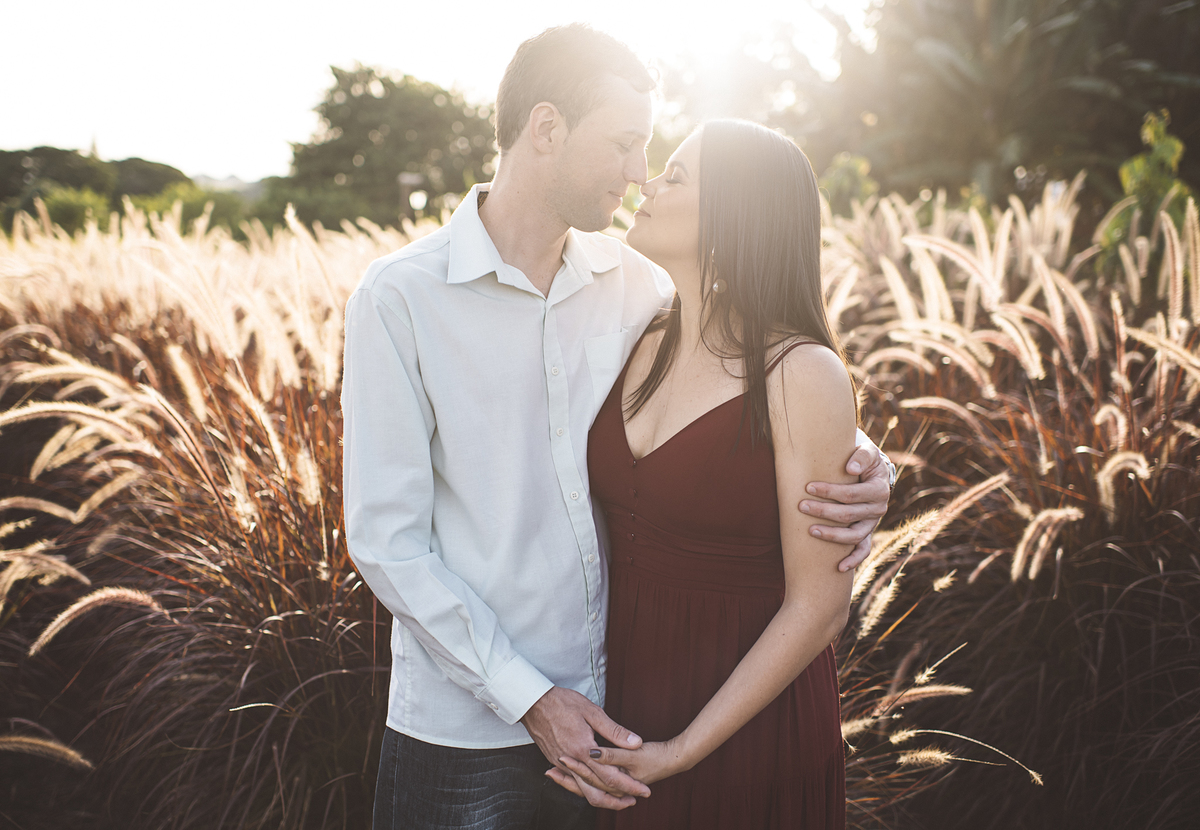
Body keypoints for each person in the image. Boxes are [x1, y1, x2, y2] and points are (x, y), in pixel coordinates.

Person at [341, 25, 893, 830]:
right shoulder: (401, 298)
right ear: (547, 128)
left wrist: (862, 463)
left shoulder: (636, 286)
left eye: (660, 160)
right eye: (628, 144)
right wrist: (532, 701)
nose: (641, 175)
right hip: (462, 730)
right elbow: (386, 540)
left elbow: (763, 380)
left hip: (612, 720)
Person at [547, 121, 855, 828]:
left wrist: (684, 750)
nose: (647, 184)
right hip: (625, 706)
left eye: (677, 177)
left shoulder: (802, 372)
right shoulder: (639, 337)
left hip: (747, 726)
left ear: (737, 213)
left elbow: (821, 606)